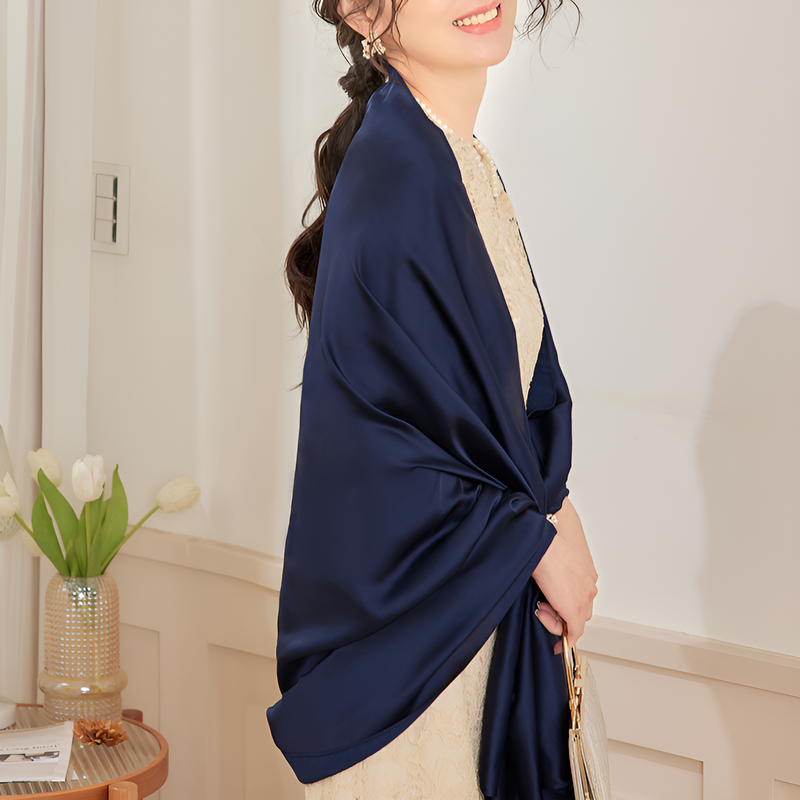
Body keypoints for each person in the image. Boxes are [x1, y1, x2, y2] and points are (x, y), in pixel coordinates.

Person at [267, 1, 598, 798]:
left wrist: (554, 516)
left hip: (467, 635)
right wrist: (535, 538)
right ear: (360, 12)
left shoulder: (450, 157)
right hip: (424, 679)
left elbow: (476, 411)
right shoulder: (401, 172)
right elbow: (374, 458)